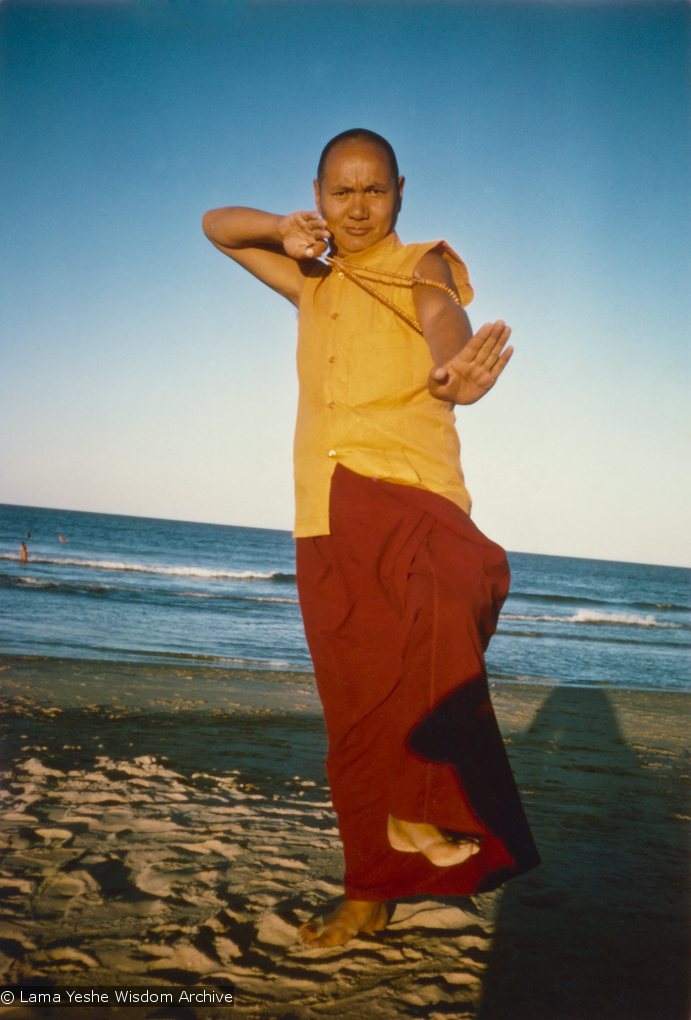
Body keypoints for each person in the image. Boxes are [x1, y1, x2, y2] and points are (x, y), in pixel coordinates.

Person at [202, 128, 539, 948]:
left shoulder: (419, 262)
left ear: (399, 193)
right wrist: (279, 231)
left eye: (373, 190)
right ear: (317, 192)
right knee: (355, 713)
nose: (356, 207)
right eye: (340, 191)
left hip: (412, 492)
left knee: (461, 580)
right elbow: (215, 224)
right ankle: (369, 891)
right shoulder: (311, 283)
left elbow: (440, 310)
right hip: (322, 510)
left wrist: (455, 365)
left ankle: (424, 808)